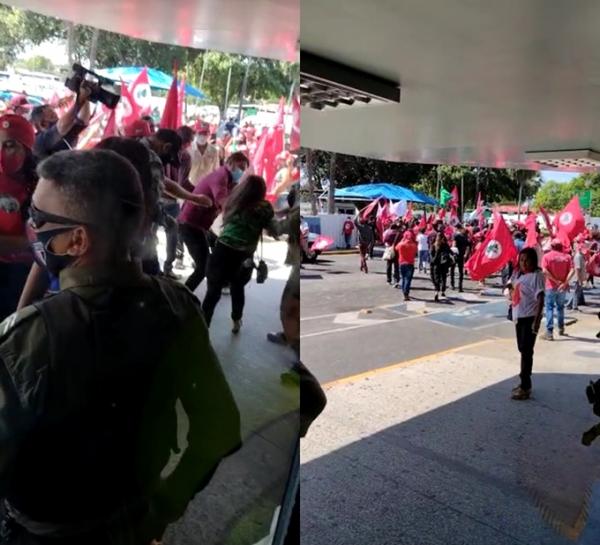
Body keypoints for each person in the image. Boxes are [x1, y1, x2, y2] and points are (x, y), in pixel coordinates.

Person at [1, 149, 241, 543]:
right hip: (134, 518)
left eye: (39, 220)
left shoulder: (31, 336)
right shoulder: (177, 306)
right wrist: (165, 506)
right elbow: (220, 427)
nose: (32, 228)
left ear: (76, 239)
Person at [202, 174, 277, 333]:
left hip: (221, 250)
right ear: (262, 191)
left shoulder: (234, 202)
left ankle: (202, 328)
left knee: (212, 293)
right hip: (243, 256)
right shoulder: (264, 207)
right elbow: (274, 230)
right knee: (238, 289)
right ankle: (236, 320)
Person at [178, 151, 249, 292]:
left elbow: (234, 201)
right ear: (229, 163)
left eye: (243, 169)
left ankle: (219, 283)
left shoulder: (230, 180)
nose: (240, 171)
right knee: (203, 267)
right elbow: (224, 203)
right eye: (238, 167)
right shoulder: (220, 177)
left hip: (200, 226)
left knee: (214, 255)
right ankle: (183, 295)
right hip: (190, 225)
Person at [0, 114, 37, 321]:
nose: (2, 152)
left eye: (10, 145)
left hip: (30, 277)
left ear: (27, 148)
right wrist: (30, 242)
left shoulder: (43, 182)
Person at [507, 247, 545, 400]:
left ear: (533, 260)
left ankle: (525, 386)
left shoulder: (536, 276)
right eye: (521, 260)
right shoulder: (521, 276)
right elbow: (514, 291)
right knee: (522, 349)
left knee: (526, 351)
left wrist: (536, 320)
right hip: (519, 317)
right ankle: (524, 382)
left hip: (529, 317)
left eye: (526, 260)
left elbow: (541, 298)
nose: (523, 263)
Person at [30, 84, 91, 160]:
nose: (57, 118)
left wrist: (86, 98)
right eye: (52, 116)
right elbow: (61, 127)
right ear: (43, 124)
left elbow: (82, 120)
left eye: (55, 114)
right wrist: (81, 98)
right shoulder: (38, 141)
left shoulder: (64, 132)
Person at [541, 239, 572, 340]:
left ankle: (549, 332)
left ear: (552, 246)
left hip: (551, 286)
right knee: (560, 307)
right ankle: (561, 328)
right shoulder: (567, 257)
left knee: (549, 307)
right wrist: (565, 282)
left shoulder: (547, 257)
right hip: (562, 286)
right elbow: (572, 270)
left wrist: (555, 280)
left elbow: (544, 271)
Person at [189, 121, 219, 186]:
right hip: (190, 185)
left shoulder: (214, 151)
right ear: (196, 134)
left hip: (207, 186)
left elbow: (216, 170)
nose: (203, 136)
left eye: (205, 133)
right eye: (200, 133)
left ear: (209, 135)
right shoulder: (189, 149)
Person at [430, 232, 453, 302]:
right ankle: (443, 291)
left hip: (436, 264)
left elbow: (431, 254)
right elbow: (450, 252)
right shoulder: (445, 245)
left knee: (436, 278)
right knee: (443, 277)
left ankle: (437, 292)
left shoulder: (434, 245)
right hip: (444, 264)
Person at [396, 230, 418, 301]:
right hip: (410, 263)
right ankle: (406, 293)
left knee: (403, 278)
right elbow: (415, 252)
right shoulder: (414, 245)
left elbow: (396, 248)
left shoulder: (401, 244)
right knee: (408, 279)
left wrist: (402, 241)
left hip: (402, 263)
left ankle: (404, 292)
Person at [451, 224, 471, 292]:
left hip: (455, 254)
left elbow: (454, 245)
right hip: (462, 255)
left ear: (457, 228)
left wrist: (452, 253)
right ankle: (460, 287)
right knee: (460, 271)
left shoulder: (455, 235)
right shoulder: (465, 236)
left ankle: (452, 285)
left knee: (452, 270)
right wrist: (466, 254)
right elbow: (468, 246)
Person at [567, 242, 587, 311]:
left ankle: (569, 305)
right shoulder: (578, 256)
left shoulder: (580, 256)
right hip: (577, 278)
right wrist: (579, 280)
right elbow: (577, 269)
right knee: (575, 292)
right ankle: (574, 307)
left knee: (575, 292)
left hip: (578, 277)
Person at [383, 221, 401, 285]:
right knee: (396, 266)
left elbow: (384, 240)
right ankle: (396, 280)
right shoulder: (398, 233)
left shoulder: (386, 232)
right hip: (396, 250)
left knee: (389, 265)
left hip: (389, 250)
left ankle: (388, 280)